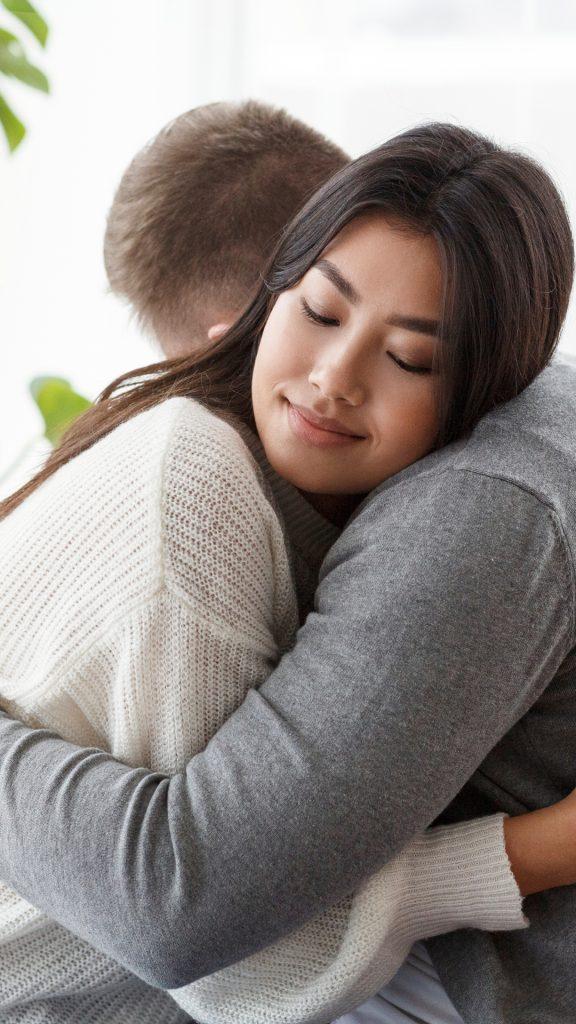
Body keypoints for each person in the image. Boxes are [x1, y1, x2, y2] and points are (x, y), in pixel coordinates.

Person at [0, 118, 574, 1024]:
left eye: (411, 358)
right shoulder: (201, 498)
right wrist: (535, 850)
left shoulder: (360, 510)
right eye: (320, 312)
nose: (335, 377)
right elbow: (212, 944)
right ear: (263, 301)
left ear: (481, 398)